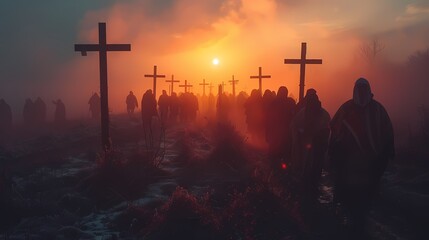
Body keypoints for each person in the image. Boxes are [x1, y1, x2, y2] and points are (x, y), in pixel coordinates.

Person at [329, 78, 394, 236]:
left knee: (366, 197)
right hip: (348, 164)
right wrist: (334, 154)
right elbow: (335, 132)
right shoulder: (346, 109)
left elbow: (387, 133)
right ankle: (350, 225)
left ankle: (360, 227)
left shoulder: (378, 110)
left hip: (371, 163)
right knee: (349, 196)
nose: (362, 92)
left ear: (369, 90)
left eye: (364, 89)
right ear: (354, 91)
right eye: (359, 89)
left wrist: (387, 153)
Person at [290, 90, 330, 201]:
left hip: (306, 145)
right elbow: (328, 129)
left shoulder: (303, 111)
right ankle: (313, 189)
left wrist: (297, 139)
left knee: (306, 166)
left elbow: (294, 125)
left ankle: (306, 191)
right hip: (317, 146)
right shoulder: (324, 113)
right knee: (315, 167)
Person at [265, 86, 296, 170]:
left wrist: (267, 134)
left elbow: (268, 120)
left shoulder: (274, 103)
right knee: (281, 153)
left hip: (279, 133)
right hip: (282, 133)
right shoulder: (290, 103)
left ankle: (277, 171)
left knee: (277, 154)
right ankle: (280, 170)